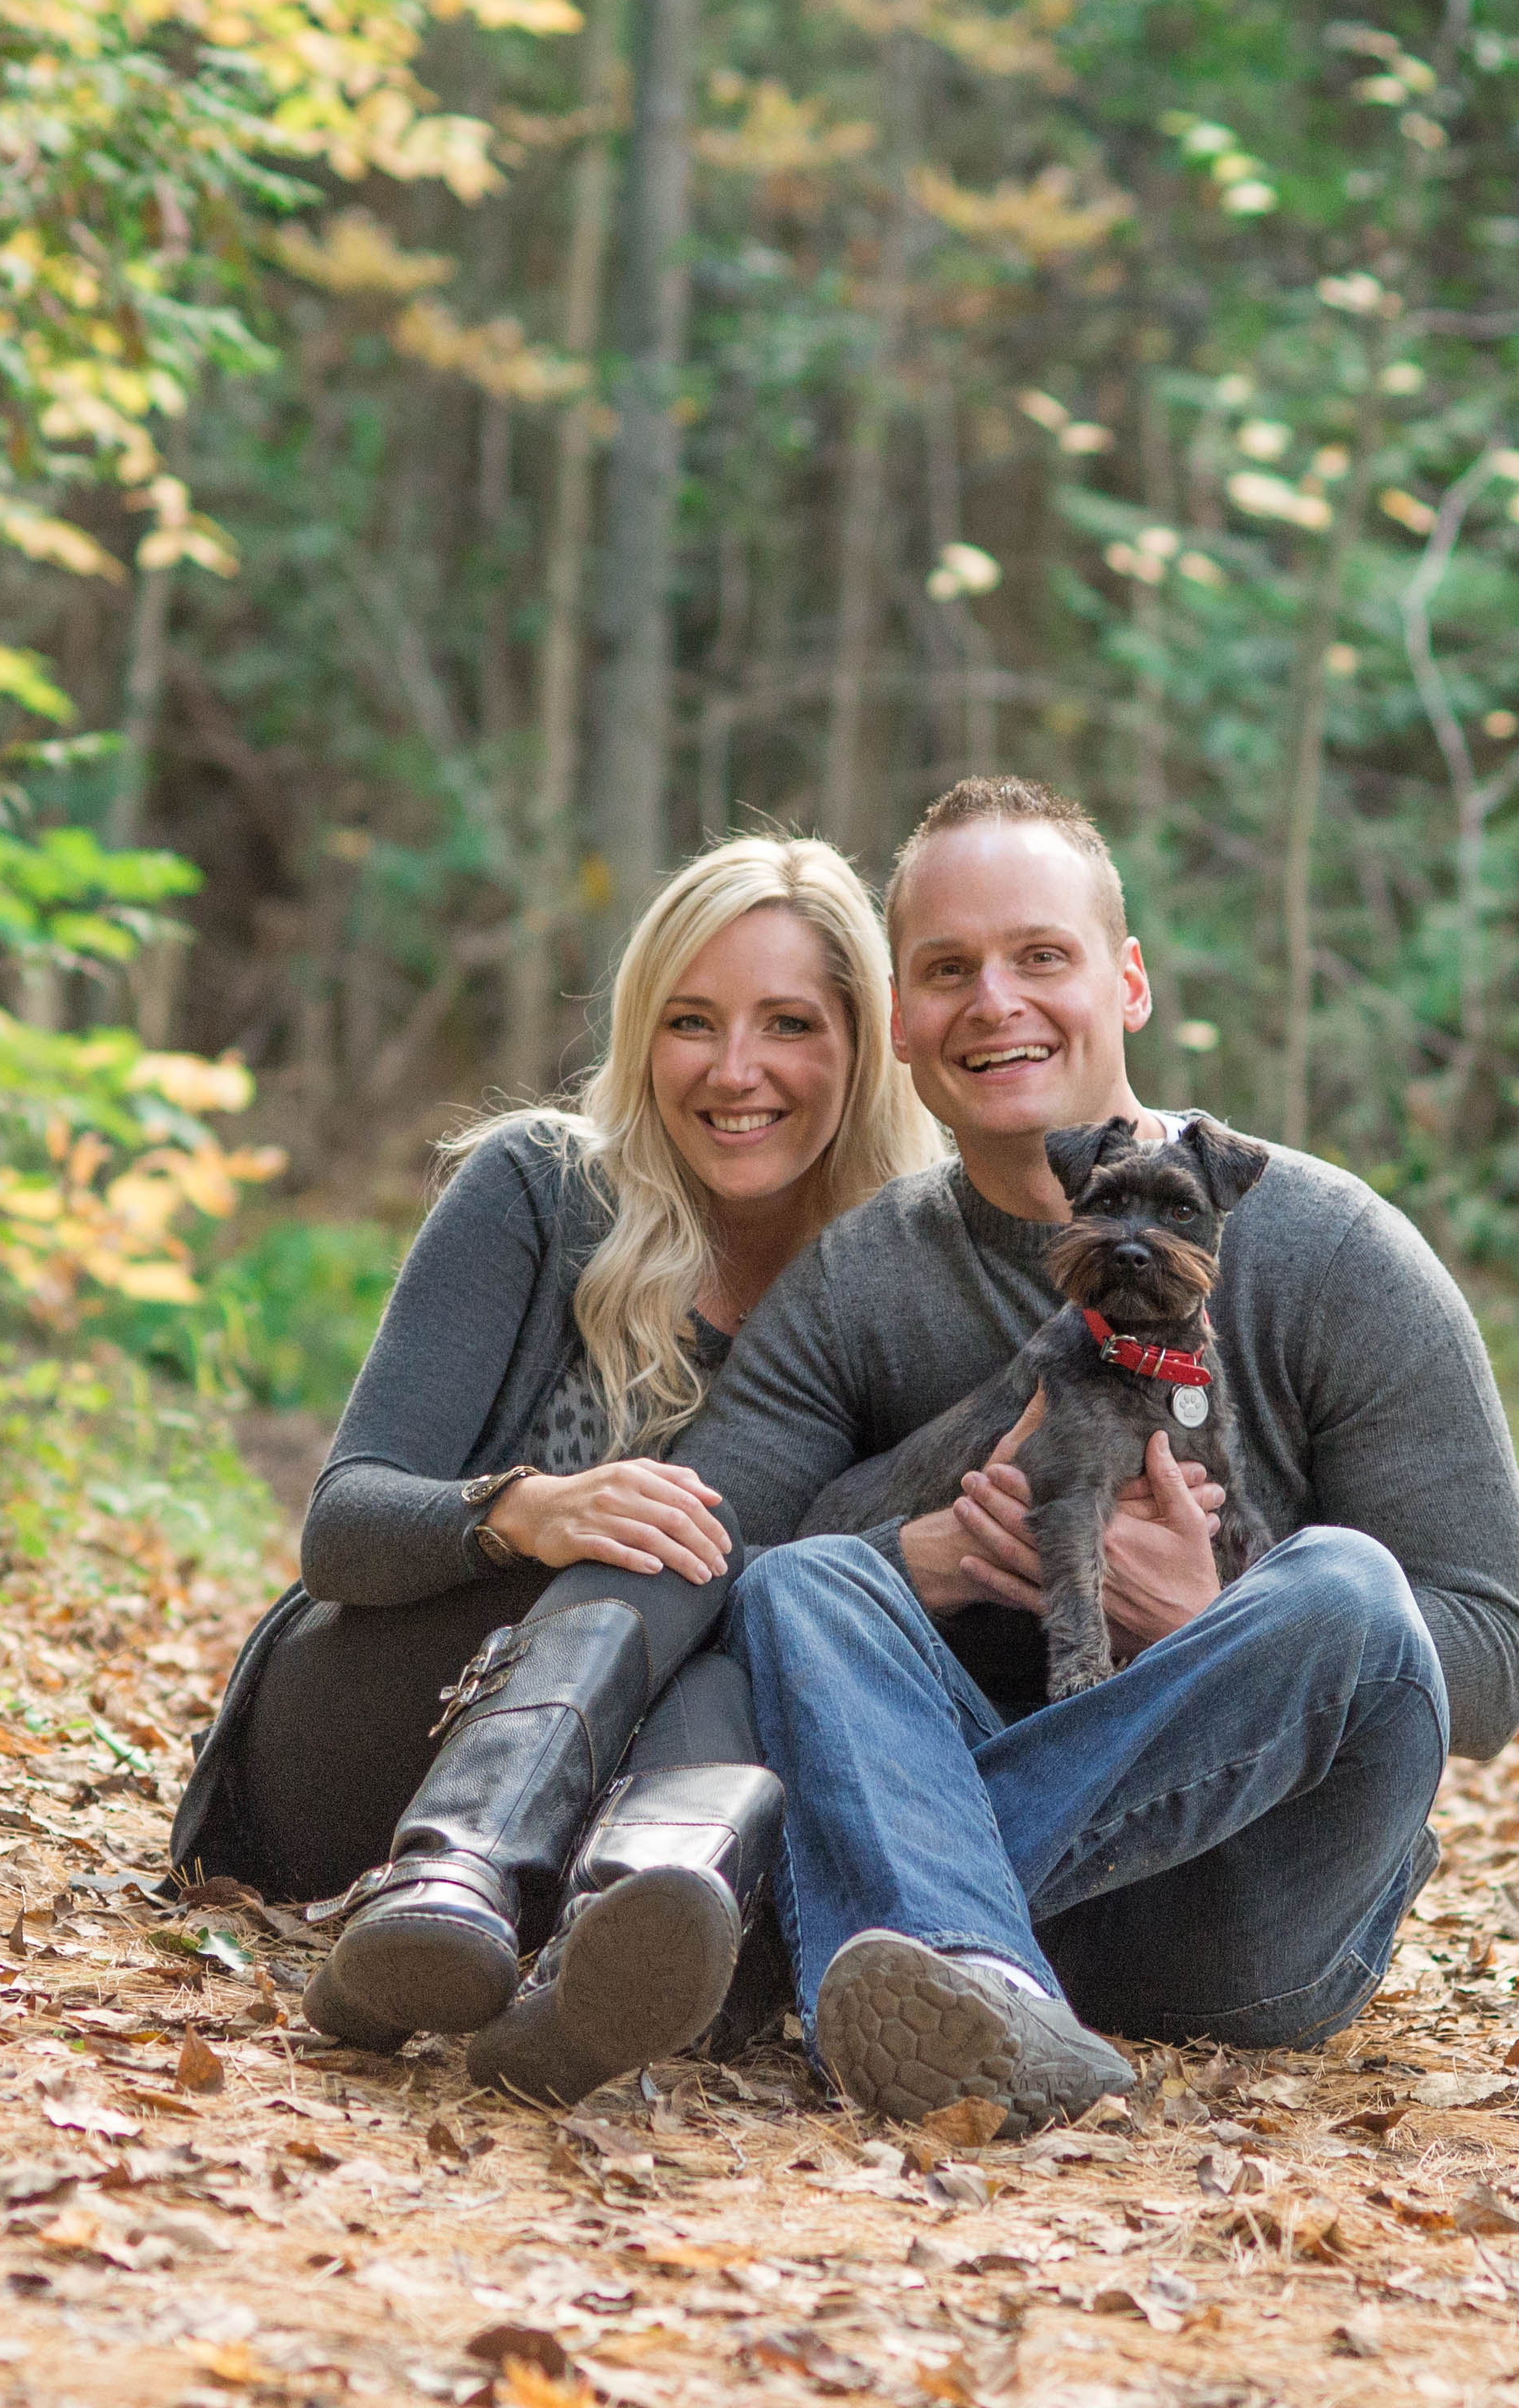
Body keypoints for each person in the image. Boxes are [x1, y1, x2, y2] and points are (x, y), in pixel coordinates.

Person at [670, 776, 1519, 2136]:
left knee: (1349, 1589)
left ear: (1126, 982)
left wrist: (1213, 1626)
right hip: (975, 1944)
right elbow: (712, 1564)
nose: (996, 1001)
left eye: (1042, 956)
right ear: (900, 1020)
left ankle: (835, 1924)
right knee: (804, 1586)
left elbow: (1489, 1658)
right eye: (949, 969)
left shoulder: (1336, 1252)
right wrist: (928, 1560)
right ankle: (958, 1969)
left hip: (1246, 1924)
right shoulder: (862, 1278)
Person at [164, 834, 940, 2098]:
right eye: (692, 1021)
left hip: (662, 1785)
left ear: (864, 1044)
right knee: (695, 1542)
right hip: (382, 1727)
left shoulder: (906, 1285)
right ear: (642, 1035)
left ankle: (595, 1979)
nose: (736, 1071)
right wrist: (534, 1514)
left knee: (758, 1613)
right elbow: (343, 1528)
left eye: (788, 1023)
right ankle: (453, 1875)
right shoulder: (543, 1188)